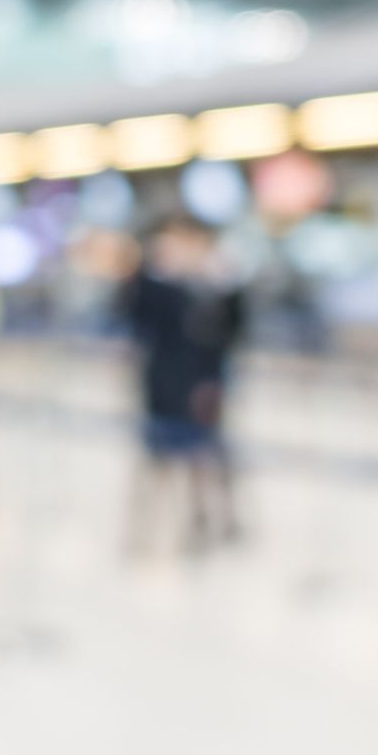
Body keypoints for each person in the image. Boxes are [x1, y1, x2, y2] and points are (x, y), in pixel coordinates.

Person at [121, 216, 246, 554]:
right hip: (162, 386)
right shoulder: (156, 284)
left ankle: (207, 521)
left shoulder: (215, 285)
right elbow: (137, 316)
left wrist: (221, 284)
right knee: (157, 459)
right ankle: (146, 529)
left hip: (205, 385)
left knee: (205, 459)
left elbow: (230, 332)